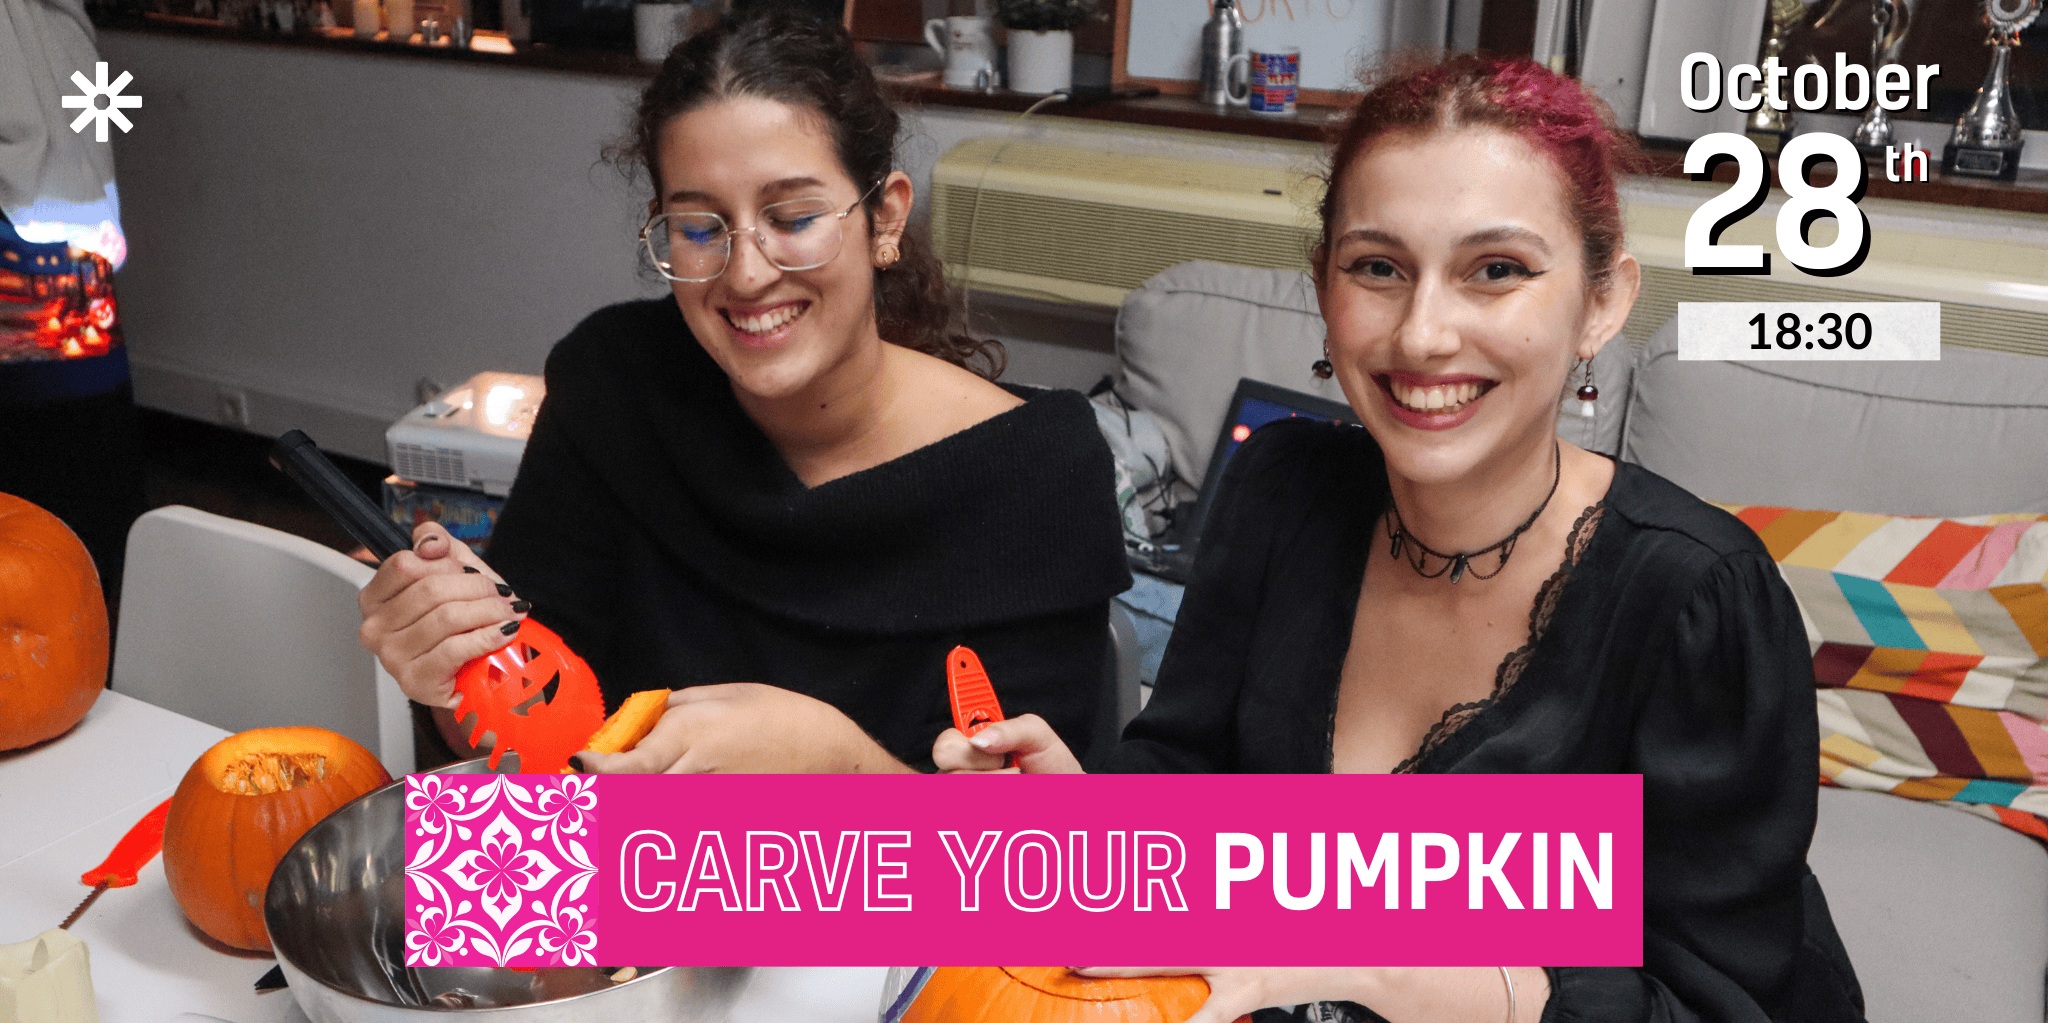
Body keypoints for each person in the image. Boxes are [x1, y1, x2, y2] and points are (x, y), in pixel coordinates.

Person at [935, 54, 1865, 1023]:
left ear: (1601, 301)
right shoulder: (1281, 490)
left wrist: (1369, 962)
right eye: (1377, 268)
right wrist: (1086, 828)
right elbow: (1194, 783)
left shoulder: (1697, 599)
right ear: (1322, 287)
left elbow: (1709, 1006)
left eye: (1495, 271)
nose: (1422, 336)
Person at [357, 11, 1130, 774]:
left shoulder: (1038, 473)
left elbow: (1031, 845)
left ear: (886, 218)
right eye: (700, 228)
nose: (748, 274)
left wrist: (837, 766)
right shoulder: (613, 386)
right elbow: (530, 740)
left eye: (793, 217)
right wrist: (447, 668)